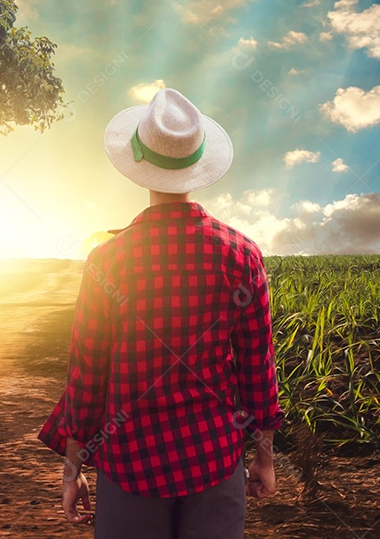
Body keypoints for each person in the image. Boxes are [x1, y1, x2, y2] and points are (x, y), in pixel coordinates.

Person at [38, 87, 284, 538]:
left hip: (130, 463)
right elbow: (257, 367)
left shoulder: (108, 261)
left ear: (139, 166)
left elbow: (87, 374)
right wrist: (264, 456)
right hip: (213, 457)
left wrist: (73, 470)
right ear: (199, 164)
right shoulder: (242, 255)